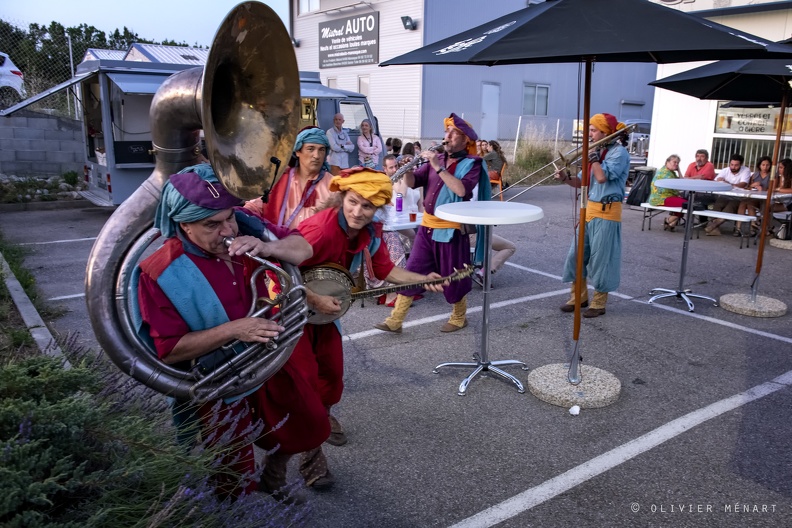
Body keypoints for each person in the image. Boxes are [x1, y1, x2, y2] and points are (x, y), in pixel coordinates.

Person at [135, 166, 328, 502]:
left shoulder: (247, 226)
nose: (227, 231)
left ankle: (273, 473)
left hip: (272, 358)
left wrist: (268, 248)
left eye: (229, 218)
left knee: (309, 424)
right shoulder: (159, 272)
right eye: (212, 225)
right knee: (231, 469)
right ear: (185, 225)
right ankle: (239, 509)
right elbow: (170, 350)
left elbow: (303, 251)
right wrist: (235, 330)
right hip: (219, 379)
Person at [294, 167, 445, 485]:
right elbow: (280, 273)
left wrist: (423, 279)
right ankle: (311, 460)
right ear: (341, 198)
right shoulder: (318, 231)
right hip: (294, 317)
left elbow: (387, 270)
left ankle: (322, 415)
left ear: (377, 209)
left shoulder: (371, 231)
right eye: (352, 202)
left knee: (332, 376)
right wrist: (313, 300)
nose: (358, 212)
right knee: (303, 385)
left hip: (325, 317)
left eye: (367, 206)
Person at [375, 112, 490, 334]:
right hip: (427, 228)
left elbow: (462, 190)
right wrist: (407, 167)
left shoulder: (472, 163)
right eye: (446, 131)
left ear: (466, 139)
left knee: (454, 274)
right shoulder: (438, 160)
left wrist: (438, 166)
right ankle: (396, 319)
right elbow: (412, 182)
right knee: (413, 270)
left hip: (451, 230)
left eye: (453, 133)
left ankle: (459, 316)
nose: (447, 136)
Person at [554, 113, 630, 318]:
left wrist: (593, 157)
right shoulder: (597, 152)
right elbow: (581, 181)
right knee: (576, 256)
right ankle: (578, 296)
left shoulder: (619, 153)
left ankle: (598, 302)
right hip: (588, 210)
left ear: (606, 132)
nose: (589, 134)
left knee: (601, 260)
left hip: (607, 212)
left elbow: (602, 177)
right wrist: (564, 178)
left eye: (593, 130)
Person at [244, 127, 334, 228]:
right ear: (297, 152)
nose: (317, 156)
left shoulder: (333, 185)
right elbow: (255, 206)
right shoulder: (280, 179)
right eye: (310, 149)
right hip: (278, 241)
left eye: (321, 150)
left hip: (314, 243)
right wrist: (237, 214)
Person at [703, 153, 751, 236]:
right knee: (717, 205)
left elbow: (742, 184)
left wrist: (728, 184)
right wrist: (719, 181)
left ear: (741, 165)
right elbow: (716, 182)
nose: (733, 167)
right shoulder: (725, 170)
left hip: (739, 197)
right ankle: (715, 229)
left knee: (730, 207)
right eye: (732, 164)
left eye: (736, 165)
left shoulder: (746, 170)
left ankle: (713, 226)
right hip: (725, 195)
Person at [647, 154, 686, 231]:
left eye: (678, 163)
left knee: (685, 203)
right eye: (674, 162)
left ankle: (670, 223)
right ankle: (669, 221)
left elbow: (682, 182)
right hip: (660, 198)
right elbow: (679, 186)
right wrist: (678, 193)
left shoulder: (671, 172)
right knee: (685, 204)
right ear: (667, 162)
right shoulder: (665, 173)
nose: (676, 164)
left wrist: (679, 170)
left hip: (667, 196)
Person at [736, 155, 772, 236]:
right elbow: (748, 187)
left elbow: (773, 189)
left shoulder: (772, 176)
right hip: (755, 197)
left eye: (767, 165)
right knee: (744, 202)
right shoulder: (755, 175)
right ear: (759, 165)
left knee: (749, 204)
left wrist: (763, 189)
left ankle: (753, 227)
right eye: (763, 165)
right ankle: (738, 228)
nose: (765, 167)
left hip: (765, 199)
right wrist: (752, 186)